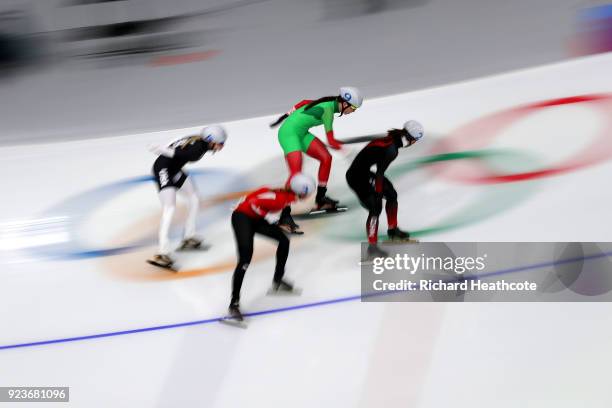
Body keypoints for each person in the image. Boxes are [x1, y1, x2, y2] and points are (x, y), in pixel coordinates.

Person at [270, 86, 363, 233]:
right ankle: (284, 216)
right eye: (353, 108)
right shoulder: (328, 111)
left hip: (301, 133)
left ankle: (320, 199)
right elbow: (331, 141)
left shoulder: (329, 103)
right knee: (296, 174)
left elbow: (304, 101)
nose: (353, 112)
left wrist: (289, 112)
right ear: (345, 104)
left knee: (326, 158)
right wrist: (346, 150)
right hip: (289, 134)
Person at [227, 173, 316, 322]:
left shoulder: (287, 196)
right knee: (245, 260)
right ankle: (234, 304)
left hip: (255, 217)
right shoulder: (279, 198)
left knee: (283, 241)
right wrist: (271, 219)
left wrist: (283, 221)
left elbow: (280, 206)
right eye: (309, 193)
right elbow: (252, 203)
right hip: (242, 217)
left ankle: (278, 280)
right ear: (302, 192)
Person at [146, 125, 227, 270]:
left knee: (194, 197)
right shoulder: (196, 151)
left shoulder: (197, 138)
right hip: (163, 169)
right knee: (169, 207)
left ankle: (189, 236)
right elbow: (173, 153)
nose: (221, 146)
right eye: (220, 143)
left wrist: (161, 147)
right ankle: (161, 253)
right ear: (210, 140)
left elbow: (177, 140)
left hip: (174, 168)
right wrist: (159, 148)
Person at [346, 121, 424, 260]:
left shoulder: (393, 140)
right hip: (356, 177)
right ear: (411, 139)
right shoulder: (391, 150)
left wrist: (380, 191)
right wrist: (378, 193)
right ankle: (372, 248)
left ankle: (392, 230)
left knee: (392, 195)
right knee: (375, 208)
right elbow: (380, 173)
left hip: (363, 172)